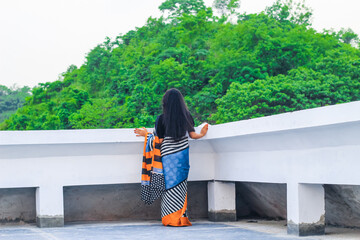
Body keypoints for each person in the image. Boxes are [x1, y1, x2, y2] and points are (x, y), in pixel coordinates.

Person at [134, 88, 208, 227]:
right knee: (181, 186)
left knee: (169, 187)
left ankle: (170, 219)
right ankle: (181, 218)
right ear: (181, 102)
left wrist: (146, 135)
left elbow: (158, 141)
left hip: (168, 156)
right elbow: (193, 136)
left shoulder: (161, 118)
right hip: (182, 156)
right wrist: (203, 133)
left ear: (165, 102)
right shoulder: (187, 116)